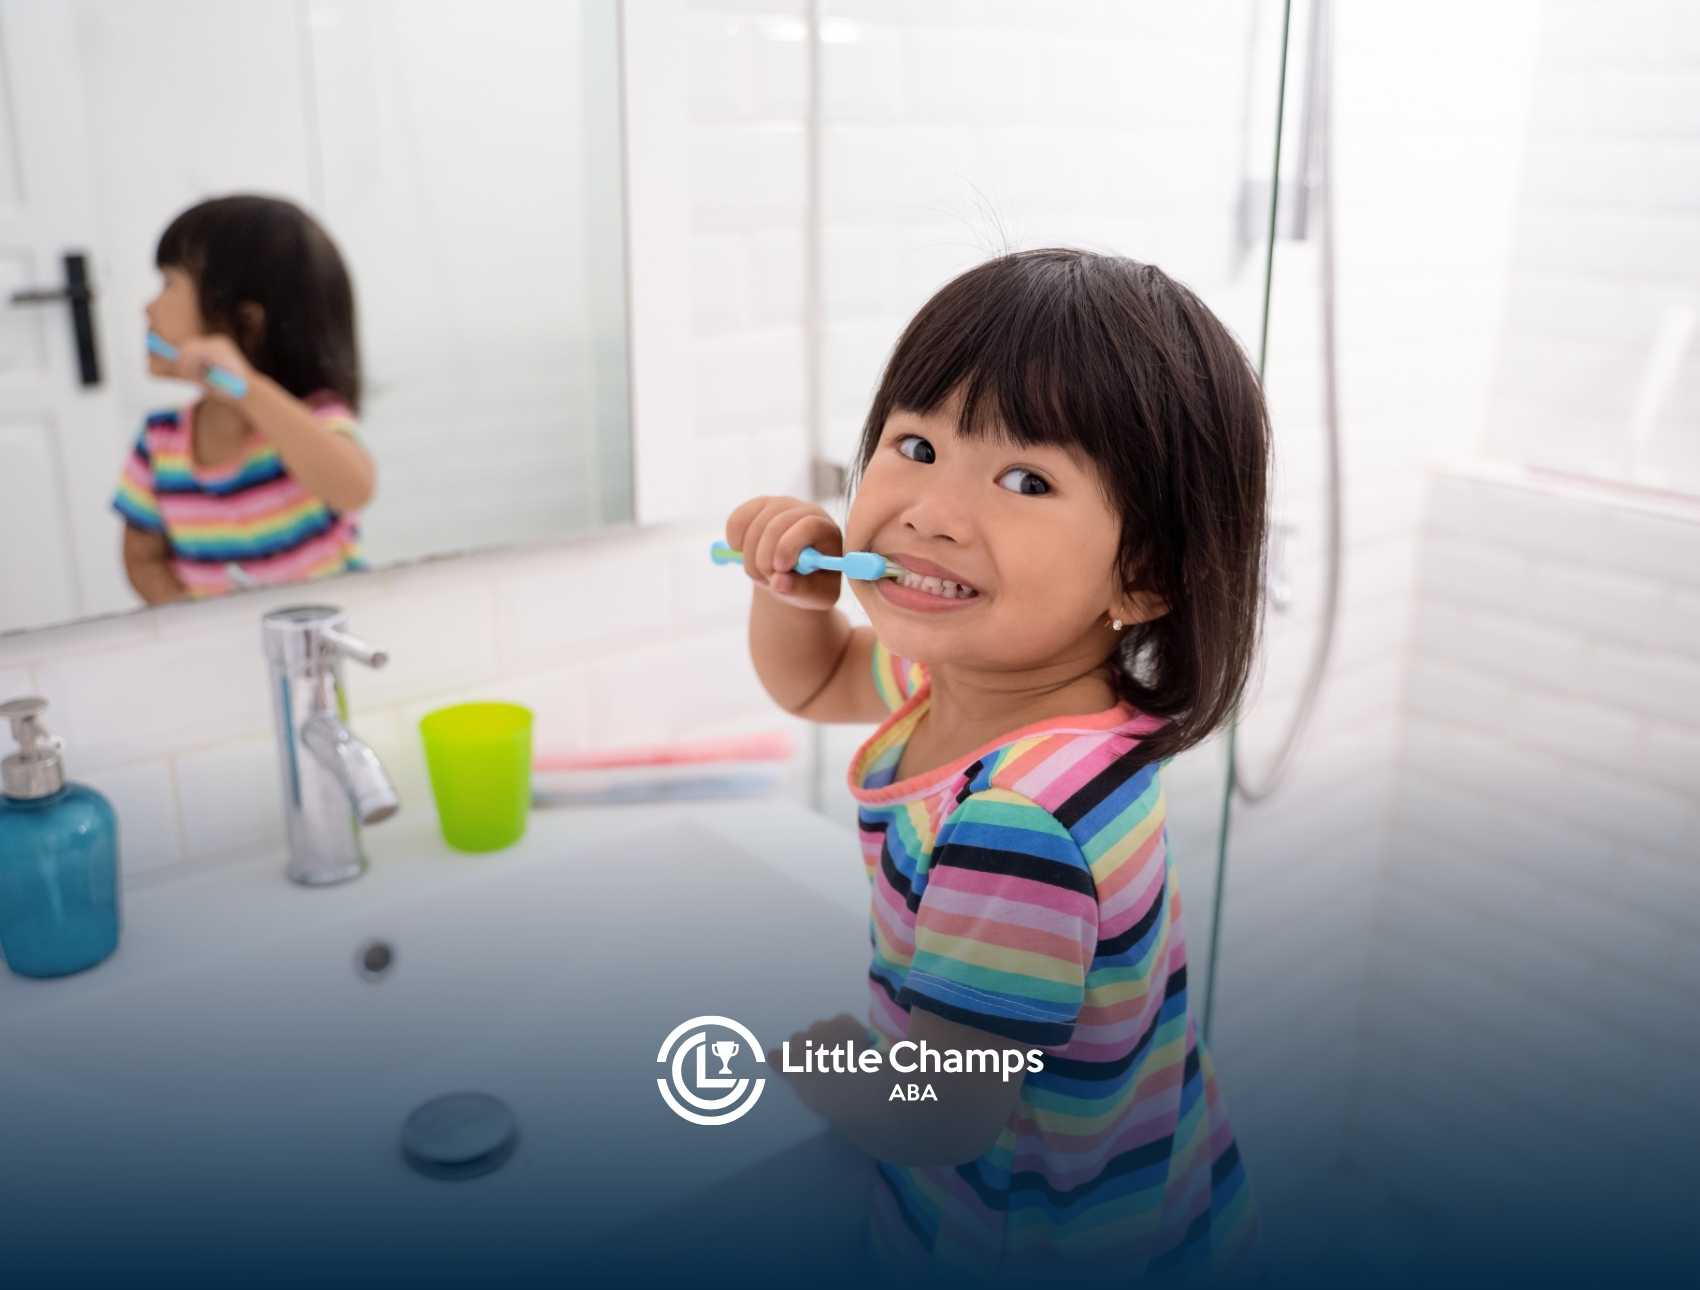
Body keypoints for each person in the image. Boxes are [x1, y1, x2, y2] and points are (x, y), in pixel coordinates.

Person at [729, 249, 1269, 1286]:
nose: (931, 511)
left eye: (1025, 479)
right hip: (1159, 1191)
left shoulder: (1011, 818)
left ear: (1145, 572)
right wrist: (788, 595)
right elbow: (814, 684)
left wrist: (825, 1061)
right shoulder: (984, 685)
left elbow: (937, 1109)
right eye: (916, 443)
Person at [113, 195, 373, 604]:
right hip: (224, 655)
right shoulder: (160, 442)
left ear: (248, 323)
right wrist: (199, 627)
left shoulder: (310, 421)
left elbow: (353, 489)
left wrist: (246, 388)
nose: (148, 306)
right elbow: (143, 560)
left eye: (168, 284)